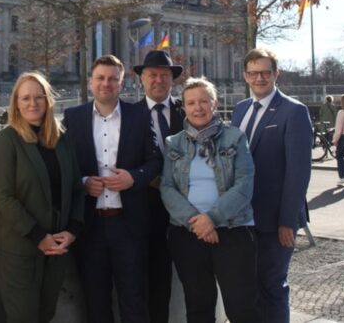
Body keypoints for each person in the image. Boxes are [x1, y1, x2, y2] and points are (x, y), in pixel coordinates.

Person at [63, 54, 162, 323]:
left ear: (121, 83)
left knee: (134, 301)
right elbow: (64, 166)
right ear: (90, 81)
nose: (106, 84)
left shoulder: (140, 115)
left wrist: (134, 178)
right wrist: (83, 182)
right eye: (100, 78)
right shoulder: (73, 117)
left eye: (112, 79)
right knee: (96, 303)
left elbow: (155, 161)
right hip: (90, 226)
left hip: (129, 226)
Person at [0, 72, 85, 323]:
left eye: (39, 97)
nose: (33, 103)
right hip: (21, 251)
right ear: (16, 104)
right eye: (26, 98)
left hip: (57, 250)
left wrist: (73, 230)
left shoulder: (62, 140)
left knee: (45, 315)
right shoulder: (7, 139)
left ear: (48, 101)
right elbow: (2, 196)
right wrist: (38, 236)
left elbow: (77, 189)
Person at [161, 77, 258, 323]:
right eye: (191, 102)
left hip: (233, 230)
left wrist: (212, 219)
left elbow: (244, 184)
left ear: (214, 103)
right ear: (184, 107)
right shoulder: (174, 143)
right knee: (198, 307)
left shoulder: (236, 138)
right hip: (188, 233)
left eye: (204, 101)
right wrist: (198, 222)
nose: (198, 108)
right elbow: (167, 187)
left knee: (242, 308)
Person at [230, 48, 312, 323]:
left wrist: (287, 221)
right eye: (253, 73)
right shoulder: (240, 109)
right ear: (245, 76)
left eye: (265, 72)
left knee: (273, 287)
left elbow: (298, 173)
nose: (259, 78)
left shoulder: (294, 111)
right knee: (249, 288)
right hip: (242, 218)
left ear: (277, 74)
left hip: (276, 220)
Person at [133, 50, 184, 323]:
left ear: (172, 80)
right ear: (142, 78)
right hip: (147, 210)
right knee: (153, 281)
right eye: (152, 75)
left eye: (164, 75)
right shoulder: (129, 115)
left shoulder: (187, 111)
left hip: (186, 210)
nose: (158, 80)